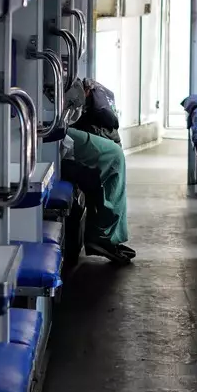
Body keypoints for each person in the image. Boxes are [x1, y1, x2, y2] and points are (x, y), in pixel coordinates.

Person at [58, 78, 134, 263]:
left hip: (56, 126)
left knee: (111, 152)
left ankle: (105, 234)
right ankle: (103, 236)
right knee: (113, 155)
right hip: (52, 131)